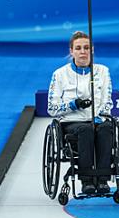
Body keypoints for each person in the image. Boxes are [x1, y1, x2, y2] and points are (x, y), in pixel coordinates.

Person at [47, 31, 114, 195]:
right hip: (72, 123)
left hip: (97, 120)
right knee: (85, 130)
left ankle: (103, 179)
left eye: (86, 47)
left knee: (106, 129)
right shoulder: (60, 74)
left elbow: (108, 100)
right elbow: (51, 108)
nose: (82, 52)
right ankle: (87, 181)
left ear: (92, 49)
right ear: (71, 51)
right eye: (78, 48)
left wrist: (101, 116)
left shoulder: (103, 71)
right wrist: (72, 105)